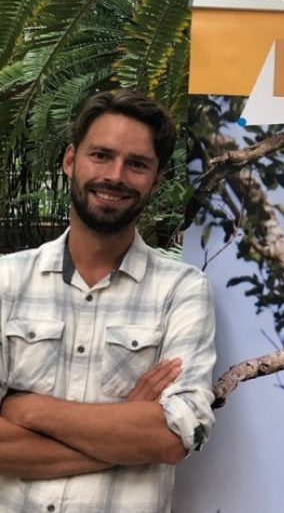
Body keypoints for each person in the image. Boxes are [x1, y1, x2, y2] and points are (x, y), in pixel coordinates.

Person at [0, 90, 216, 512]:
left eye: (136, 164)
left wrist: (25, 408)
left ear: (155, 181)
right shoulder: (5, 279)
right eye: (101, 155)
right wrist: (126, 429)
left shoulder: (182, 290)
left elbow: (174, 438)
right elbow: (153, 437)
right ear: (70, 161)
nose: (115, 175)